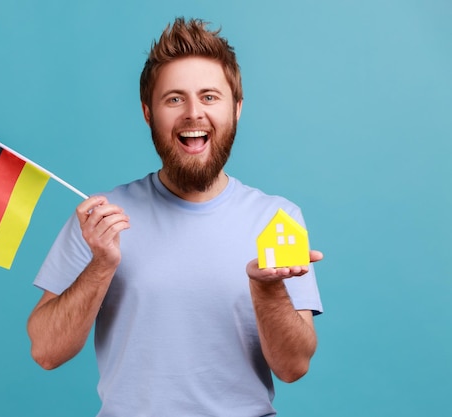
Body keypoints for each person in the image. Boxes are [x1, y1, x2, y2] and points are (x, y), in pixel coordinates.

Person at [27, 17, 323, 417]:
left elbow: (293, 367)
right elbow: (45, 351)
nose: (193, 113)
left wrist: (268, 290)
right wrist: (101, 266)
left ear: (236, 109)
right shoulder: (101, 219)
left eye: (209, 97)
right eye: (174, 99)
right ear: (149, 113)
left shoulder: (278, 219)